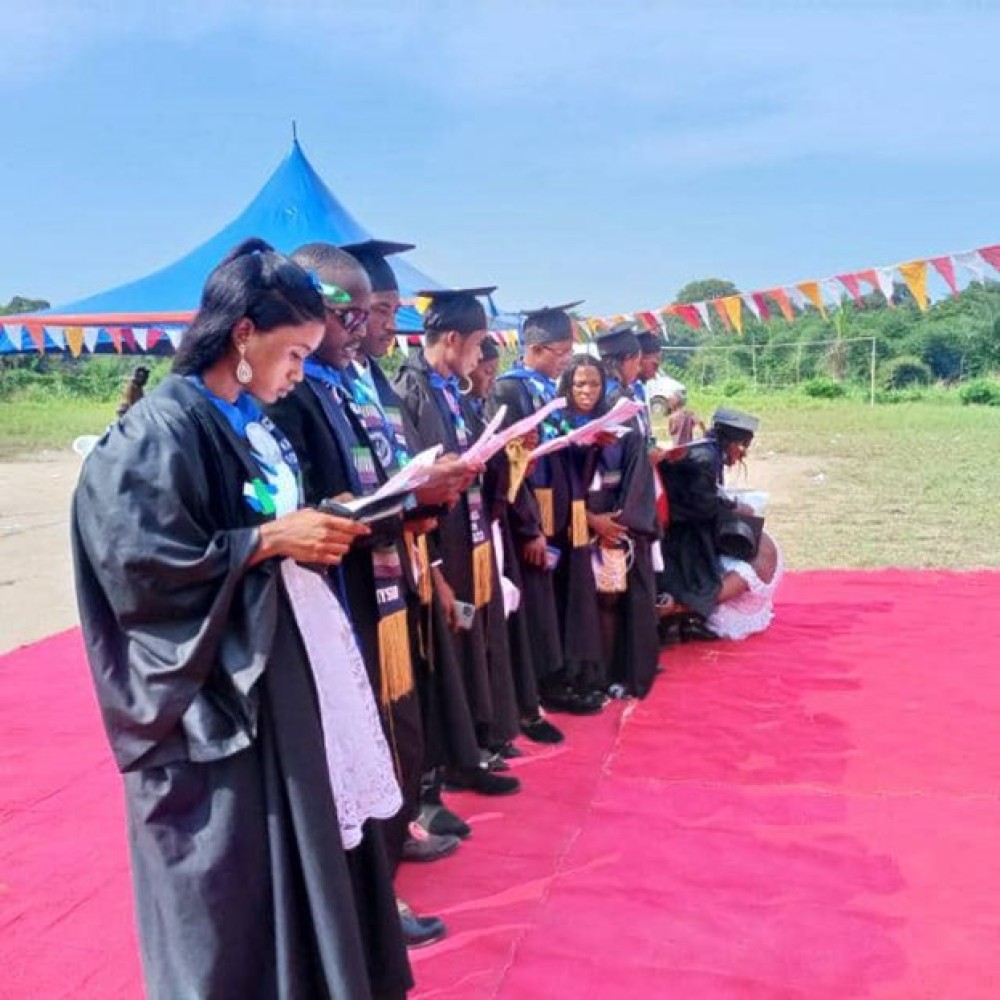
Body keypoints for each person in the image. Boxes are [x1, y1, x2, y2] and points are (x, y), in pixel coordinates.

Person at [71, 239, 412, 999]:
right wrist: (264, 541)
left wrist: (318, 525)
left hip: (277, 675)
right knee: (230, 884)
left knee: (292, 860)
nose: (299, 373)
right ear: (242, 335)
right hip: (213, 701)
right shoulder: (159, 432)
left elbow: (260, 524)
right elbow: (138, 568)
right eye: (293, 353)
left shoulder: (249, 421)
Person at [265, 242, 455, 950]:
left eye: (371, 315)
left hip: (377, 576)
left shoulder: (346, 386)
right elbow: (304, 506)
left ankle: (382, 878)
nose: (363, 331)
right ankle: (367, 899)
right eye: (353, 316)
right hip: (330, 598)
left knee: (388, 729)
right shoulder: (296, 394)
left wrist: (413, 501)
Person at [343, 241, 517, 843]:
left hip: (423, 538)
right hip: (392, 556)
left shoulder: (380, 383)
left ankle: (447, 770)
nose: (387, 324)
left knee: (430, 671)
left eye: (390, 310)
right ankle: (412, 801)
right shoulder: (401, 385)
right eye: (379, 310)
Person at [393, 287, 523, 790]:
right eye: (477, 345)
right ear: (451, 339)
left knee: (472, 640)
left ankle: (474, 743)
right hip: (434, 542)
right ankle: (447, 764)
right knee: (440, 650)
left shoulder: (454, 390)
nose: (480, 356)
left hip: (468, 533)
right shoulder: (410, 390)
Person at [488, 302, 604, 717]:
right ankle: (541, 688)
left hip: (563, 504)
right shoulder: (508, 390)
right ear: (536, 348)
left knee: (562, 597)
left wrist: (590, 441)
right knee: (537, 602)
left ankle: (565, 677)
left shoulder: (548, 390)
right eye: (561, 354)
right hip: (532, 511)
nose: (566, 364)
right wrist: (527, 527)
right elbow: (510, 467)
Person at [658, 407, 782, 641]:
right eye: (742, 445)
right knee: (705, 570)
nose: (742, 453)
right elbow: (701, 506)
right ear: (730, 441)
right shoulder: (705, 458)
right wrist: (732, 508)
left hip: (687, 522)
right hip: (681, 531)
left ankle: (689, 618)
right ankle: (678, 615)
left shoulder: (709, 452)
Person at [592, 323, 661, 698]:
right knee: (614, 595)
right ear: (630, 359)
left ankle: (624, 671)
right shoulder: (613, 401)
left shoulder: (610, 395)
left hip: (618, 507)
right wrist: (630, 517)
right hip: (617, 512)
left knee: (615, 596)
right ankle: (619, 674)